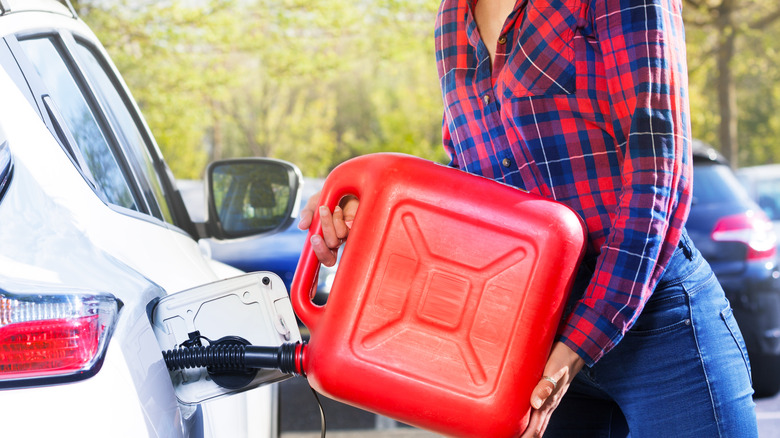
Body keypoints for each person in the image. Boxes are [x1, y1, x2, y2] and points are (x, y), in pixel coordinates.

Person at [299, 0, 759, 436]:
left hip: (656, 325)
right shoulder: (452, 17)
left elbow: (657, 174)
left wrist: (577, 345)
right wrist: (373, 211)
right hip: (529, 337)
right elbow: (476, 183)